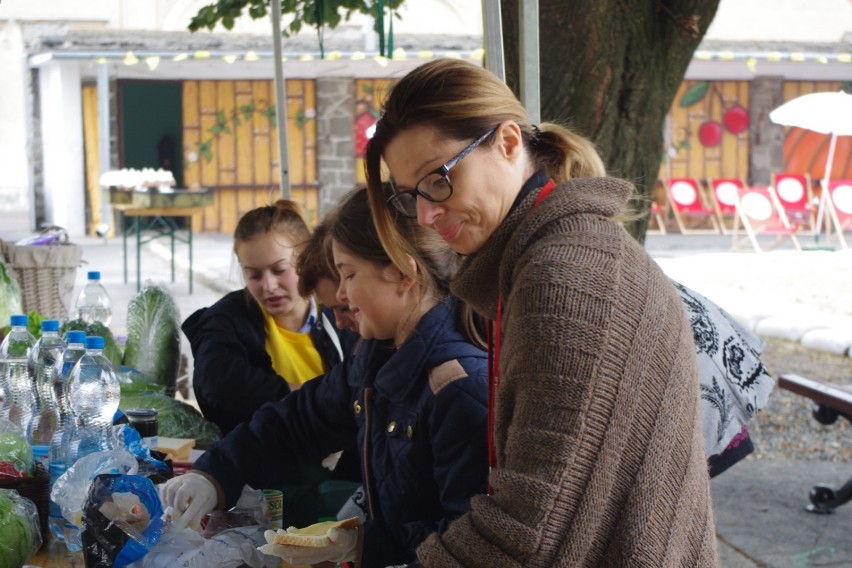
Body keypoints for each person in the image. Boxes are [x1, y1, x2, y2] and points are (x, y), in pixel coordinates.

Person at [364, 59, 718, 566]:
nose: (425, 214)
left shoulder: (563, 277)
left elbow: (527, 527)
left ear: (508, 142)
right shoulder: (556, 254)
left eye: (437, 179)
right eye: (410, 197)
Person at [160, 187, 489, 567]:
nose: (344, 296)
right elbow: (295, 422)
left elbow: (466, 541)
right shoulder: (374, 357)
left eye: (349, 275)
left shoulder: (459, 389)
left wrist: (364, 543)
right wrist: (214, 475)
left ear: (402, 274)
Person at [181, 199, 360, 525]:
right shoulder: (228, 319)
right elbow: (217, 383)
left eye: (280, 270)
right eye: (254, 275)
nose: (269, 286)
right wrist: (308, 397)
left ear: (305, 258)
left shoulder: (340, 313)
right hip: (266, 478)